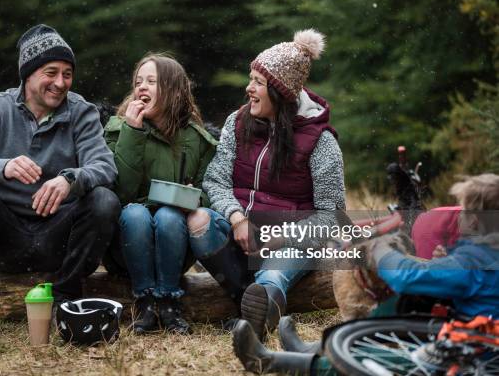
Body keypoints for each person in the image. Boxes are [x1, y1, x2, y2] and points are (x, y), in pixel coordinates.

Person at [0, 24, 120, 335]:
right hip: (4, 238)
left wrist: (70, 179)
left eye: (67, 73)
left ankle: (65, 298)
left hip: (58, 237)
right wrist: (2, 167)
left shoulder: (82, 112)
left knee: (105, 200)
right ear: (27, 73)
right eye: (51, 72)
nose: (60, 82)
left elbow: (105, 167)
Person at [233, 173, 499, 374]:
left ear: (474, 220)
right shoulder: (486, 255)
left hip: (477, 356)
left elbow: (407, 276)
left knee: (398, 361)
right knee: (413, 304)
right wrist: (447, 261)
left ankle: (273, 361)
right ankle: (317, 348)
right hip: (478, 335)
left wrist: (381, 251)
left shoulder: (475, 262)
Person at [187, 29, 345, 339]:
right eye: (251, 79)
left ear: (280, 92)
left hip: (291, 242)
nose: (249, 88)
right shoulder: (237, 122)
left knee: (272, 274)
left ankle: (260, 309)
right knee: (199, 220)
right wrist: (237, 218)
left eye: (258, 82)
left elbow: (332, 215)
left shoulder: (321, 142)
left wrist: (278, 236)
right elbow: (215, 180)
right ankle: (251, 303)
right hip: (240, 232)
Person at [103, 53, 217, 334]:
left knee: (168, 215)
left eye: (151, 81)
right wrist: (132, 131)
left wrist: (194, 198)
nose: (141, 87)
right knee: (135, 212)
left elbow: (211, 191)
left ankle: (168, 301)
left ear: (174, 90)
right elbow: (120, 192)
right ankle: (144, 301)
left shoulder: (197, 139)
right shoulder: (117, 130)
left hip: (176, 241)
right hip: (126, 243)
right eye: (138, 81)